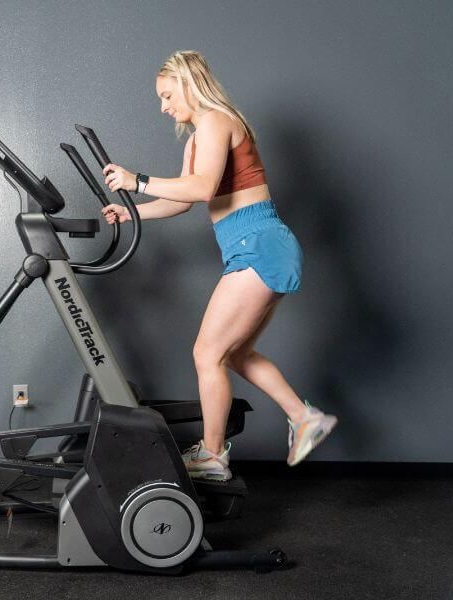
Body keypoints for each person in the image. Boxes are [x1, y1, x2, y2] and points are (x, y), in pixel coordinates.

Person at [100, 50, 337, 481]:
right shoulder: (196, 139)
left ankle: (212, 456)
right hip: (256, 247)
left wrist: (137, 181)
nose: (163, 107)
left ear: (189, 85)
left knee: (207, 354)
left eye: (167, 95)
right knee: (236, 354)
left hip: (258, 245)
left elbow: (204, 187)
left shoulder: (216, 120)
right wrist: (130, 211)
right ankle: (305, 418)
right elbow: (183, 200)